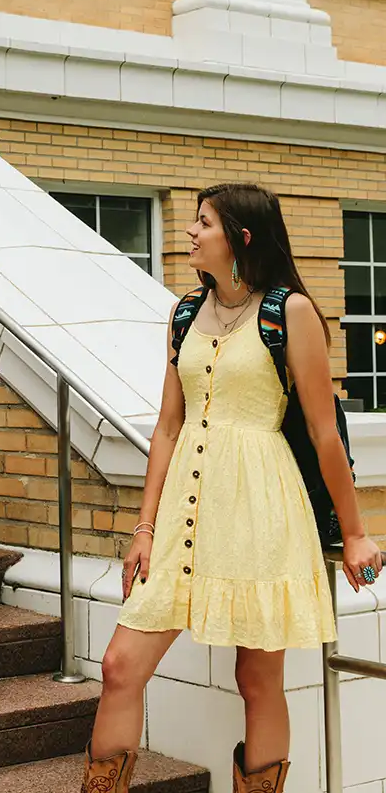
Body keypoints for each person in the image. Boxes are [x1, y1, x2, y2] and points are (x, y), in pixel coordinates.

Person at [82, 183, 383, 793]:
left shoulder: (290, 312)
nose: (191, 233)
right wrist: (144, 528)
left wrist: (355, 533)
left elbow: (326, 436)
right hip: (181, 515)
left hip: (260, 505)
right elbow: (168, 426)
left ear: (240, 237)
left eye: (203, 222)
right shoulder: (185, 313)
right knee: (119, 666)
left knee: (257, 679)